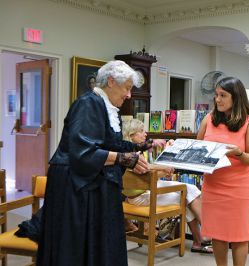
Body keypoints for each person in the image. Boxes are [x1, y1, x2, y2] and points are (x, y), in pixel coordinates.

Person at [36, 60, 151, 266]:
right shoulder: (88, 104)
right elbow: (83, 151)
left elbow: (112, 144)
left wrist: (140, 149)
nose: (129, 95)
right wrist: (126, 159)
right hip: (76, 187)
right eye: (127, 88)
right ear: (110, 82)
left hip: (93, 185)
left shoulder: (106, 107)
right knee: (77, 247)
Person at [197, 77, 249, 266]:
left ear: (236, 98)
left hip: (239, 189)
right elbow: (197, 146)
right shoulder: (209, 119)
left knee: (240, 236)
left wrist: (239, 153)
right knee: (218, 234)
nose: (217, 100)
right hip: (213, 186)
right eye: (216, 95)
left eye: (223, 95)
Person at [122, 118, 213, 253]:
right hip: (141, 197)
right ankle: (202, 237)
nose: (145, 134)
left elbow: (150, 173)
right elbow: (148, 174)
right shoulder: (131, 156)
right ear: (131, 135)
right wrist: (166, 166)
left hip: (147, 190)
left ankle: (201, 238)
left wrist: (164, 168)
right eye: (141, 131)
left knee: (191, 189)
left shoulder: (133, 152)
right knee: (186, 198)